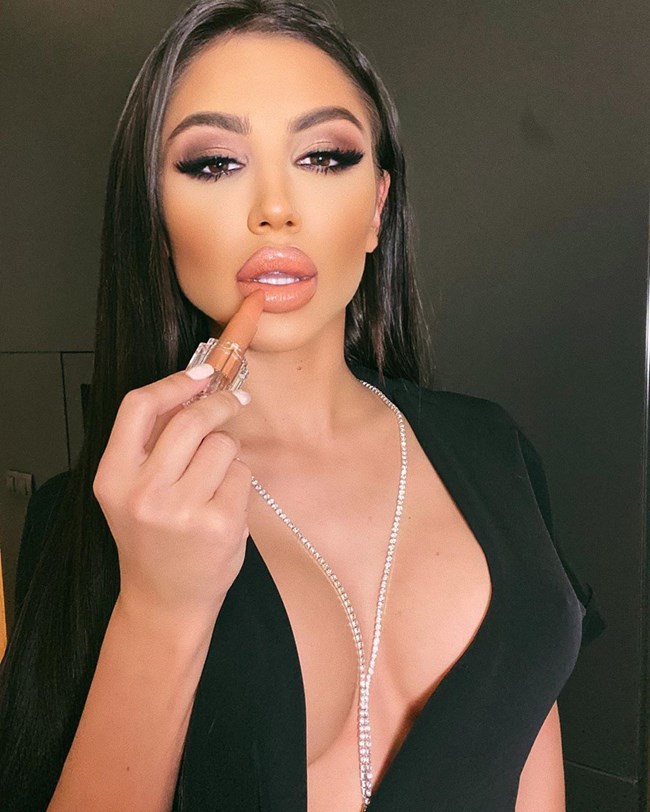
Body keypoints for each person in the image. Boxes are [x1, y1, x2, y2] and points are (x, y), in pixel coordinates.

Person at [0, 1, 605, 810]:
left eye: (324, 156)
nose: (275, 208)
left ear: (378, 210)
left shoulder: (495, 451)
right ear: (155, 216)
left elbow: (531, 749)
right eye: (214, 164)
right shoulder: (84, 523)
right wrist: (160, 607)